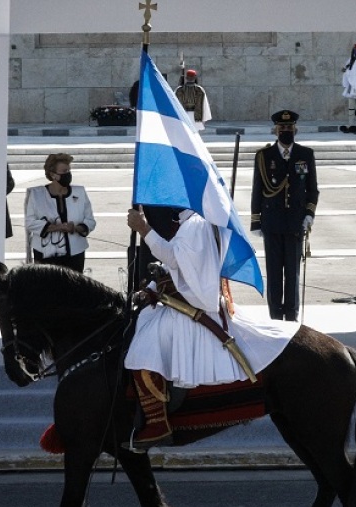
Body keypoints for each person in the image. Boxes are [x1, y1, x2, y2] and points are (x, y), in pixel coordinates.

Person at [124, 206, 297, 450]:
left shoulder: (196, 226)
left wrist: (144, 229)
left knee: (145, 347)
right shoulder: (191, 224)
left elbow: (172, 257)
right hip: (188, 301)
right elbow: (179, 267)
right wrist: (152, 287)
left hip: (196, 309)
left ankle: (157, 423)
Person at [250, 110, 319, 321]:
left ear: (295, 130)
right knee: (273, 273)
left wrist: (309, 215)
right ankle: (275, 315)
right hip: (272, 222)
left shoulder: (305, 154)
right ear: (275, 130)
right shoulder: (264, 156)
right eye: (282, 128)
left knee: (292, 272)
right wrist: (256, 220)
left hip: (295, 223)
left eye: (289, 128)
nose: (286, 131)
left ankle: (291, 315)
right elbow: (257, 188)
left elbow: (312, 189)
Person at [24, 153, 96, 272]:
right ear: (53, 175)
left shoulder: (80, 192)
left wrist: (75, 228)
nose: (68, 174)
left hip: (75, 254)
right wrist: (56, 227)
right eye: (64, 171)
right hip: (45, 254)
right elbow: (30, 222)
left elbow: (90, 221)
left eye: (69, 170)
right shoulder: (37, 195)